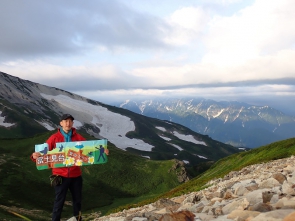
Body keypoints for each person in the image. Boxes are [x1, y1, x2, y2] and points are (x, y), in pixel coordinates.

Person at [31, 114, 109, 221]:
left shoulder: (78, 137)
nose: (68, 123)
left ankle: (78, 219)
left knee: (77, 201)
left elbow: (89, 149)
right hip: (60, 176)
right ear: (61, 123)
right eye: (65, 121)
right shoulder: (54, 138)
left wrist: (103, 151)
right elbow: (43, 152)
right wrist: (34, 156)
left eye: (70, 121)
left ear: (72, 123)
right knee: (59, 201)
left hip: (76, 175)